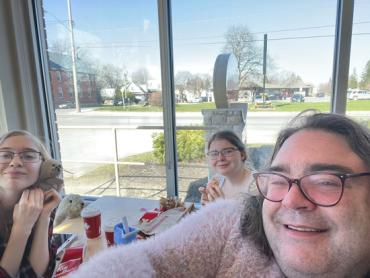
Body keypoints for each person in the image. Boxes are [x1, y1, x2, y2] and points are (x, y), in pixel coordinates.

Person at [71, 111, 370, 277]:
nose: (291, 199)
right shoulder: (230, 220)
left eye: (326, 180)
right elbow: (148, 259)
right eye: (279, 178)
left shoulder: (249, 188)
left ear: (242, 154)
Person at [0, 130, 62, 278]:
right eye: (5, 155)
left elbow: (34, 274)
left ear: (44, 167)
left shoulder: (41, 203)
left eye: (28, 156)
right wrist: (21, 228)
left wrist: (43, 216)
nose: (15, 162)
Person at [199, 130, 253, 205]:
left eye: (227, 151)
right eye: (214, 154)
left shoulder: (257, 186)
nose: (220, 158)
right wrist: (206, 207)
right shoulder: (217, 180)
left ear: (242, 154)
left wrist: (220, 208)